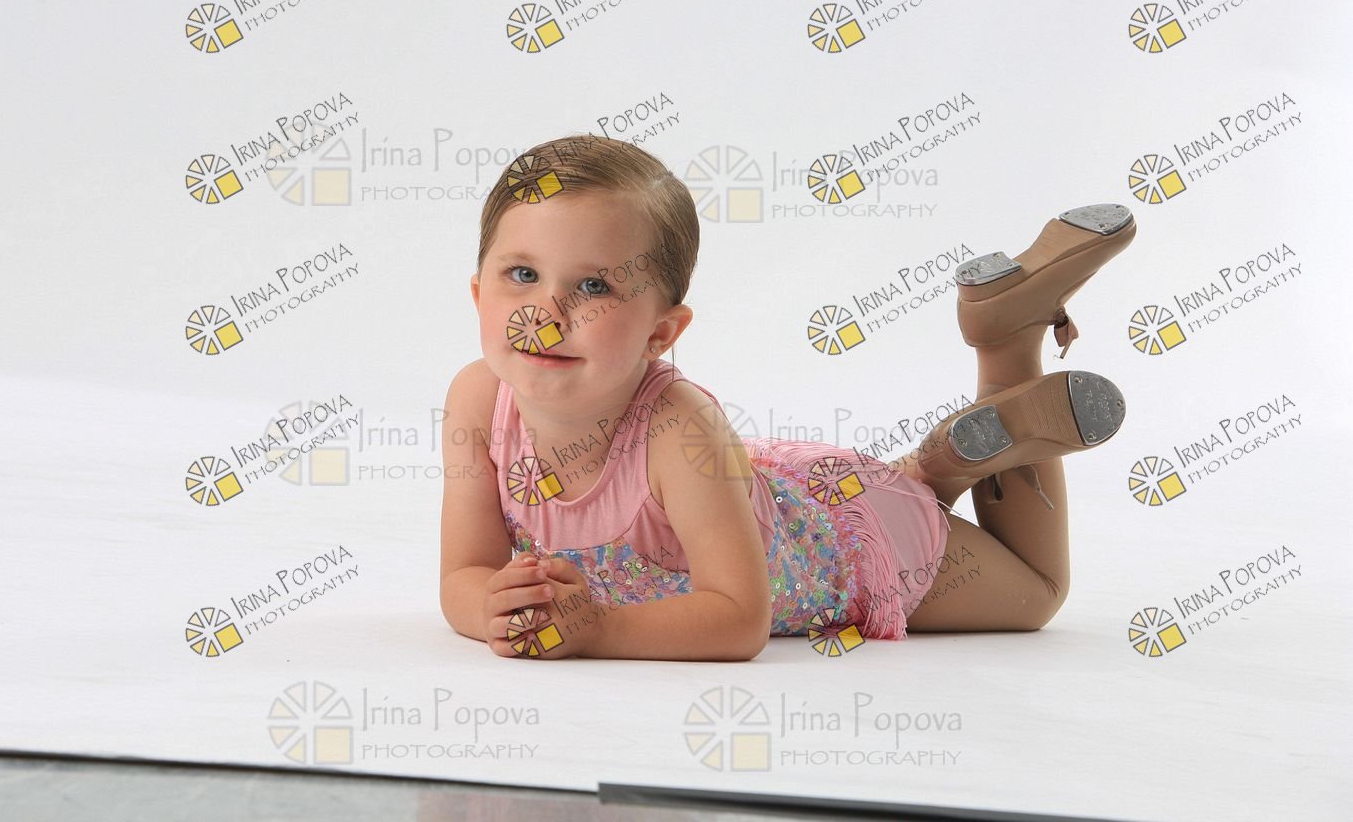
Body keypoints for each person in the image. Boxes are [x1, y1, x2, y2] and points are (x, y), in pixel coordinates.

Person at [438, 134, 1135, 661]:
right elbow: (465, 573)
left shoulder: (679, 428)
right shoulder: (477, 400)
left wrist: (599, 630)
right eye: (521, 274)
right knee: (917, 494)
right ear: (476, 295)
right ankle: (938, 468)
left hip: (856, 549)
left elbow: (740, 619)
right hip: (801, 494)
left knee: (1037, 593)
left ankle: (1005, 342)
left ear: (660, 333)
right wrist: (492, 607)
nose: (547, 312)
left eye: (594, 286)